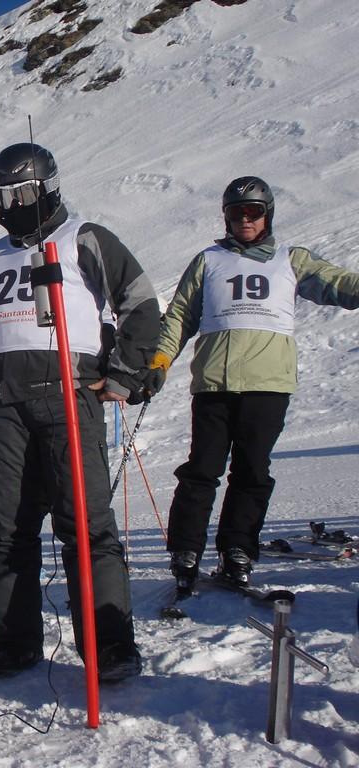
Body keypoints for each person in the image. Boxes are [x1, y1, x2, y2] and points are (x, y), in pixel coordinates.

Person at [0, 143, 160, 682]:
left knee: (85, 524)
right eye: (4, 195)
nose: (14, 204)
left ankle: (109, 645)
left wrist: (125, 372)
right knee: (7, 526)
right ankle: (15, 641)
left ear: (47, 188)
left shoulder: (84, 239)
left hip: (70, 390)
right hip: (4, 403)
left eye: (23, 193)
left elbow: (138, 300)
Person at [145, 176, 359, 590]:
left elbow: (338, 284)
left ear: (267, 214)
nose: (245, 219)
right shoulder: (208, 261)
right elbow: (180, 317)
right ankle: (186, 549)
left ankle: (237, 549)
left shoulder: (290, 260)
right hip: (214, 384)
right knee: (201, 471)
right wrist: (160, 359)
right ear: (226, 217)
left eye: (253, 211)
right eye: (236, 212)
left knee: (252, 473)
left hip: (268, 385)